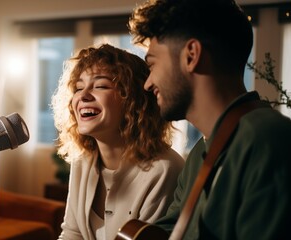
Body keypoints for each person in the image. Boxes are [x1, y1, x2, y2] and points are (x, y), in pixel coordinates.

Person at [128, 0, 291, 239]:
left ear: (191, 56)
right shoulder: (199, 153)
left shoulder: (269, 141)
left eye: (152, 64)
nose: (147, 83)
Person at [51, 43, 184, 240]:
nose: (83, 95)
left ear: (134, 101)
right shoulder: (83, 160)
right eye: (79, 87)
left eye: (101, 86)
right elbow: (72, 233)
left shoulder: (164, 170)